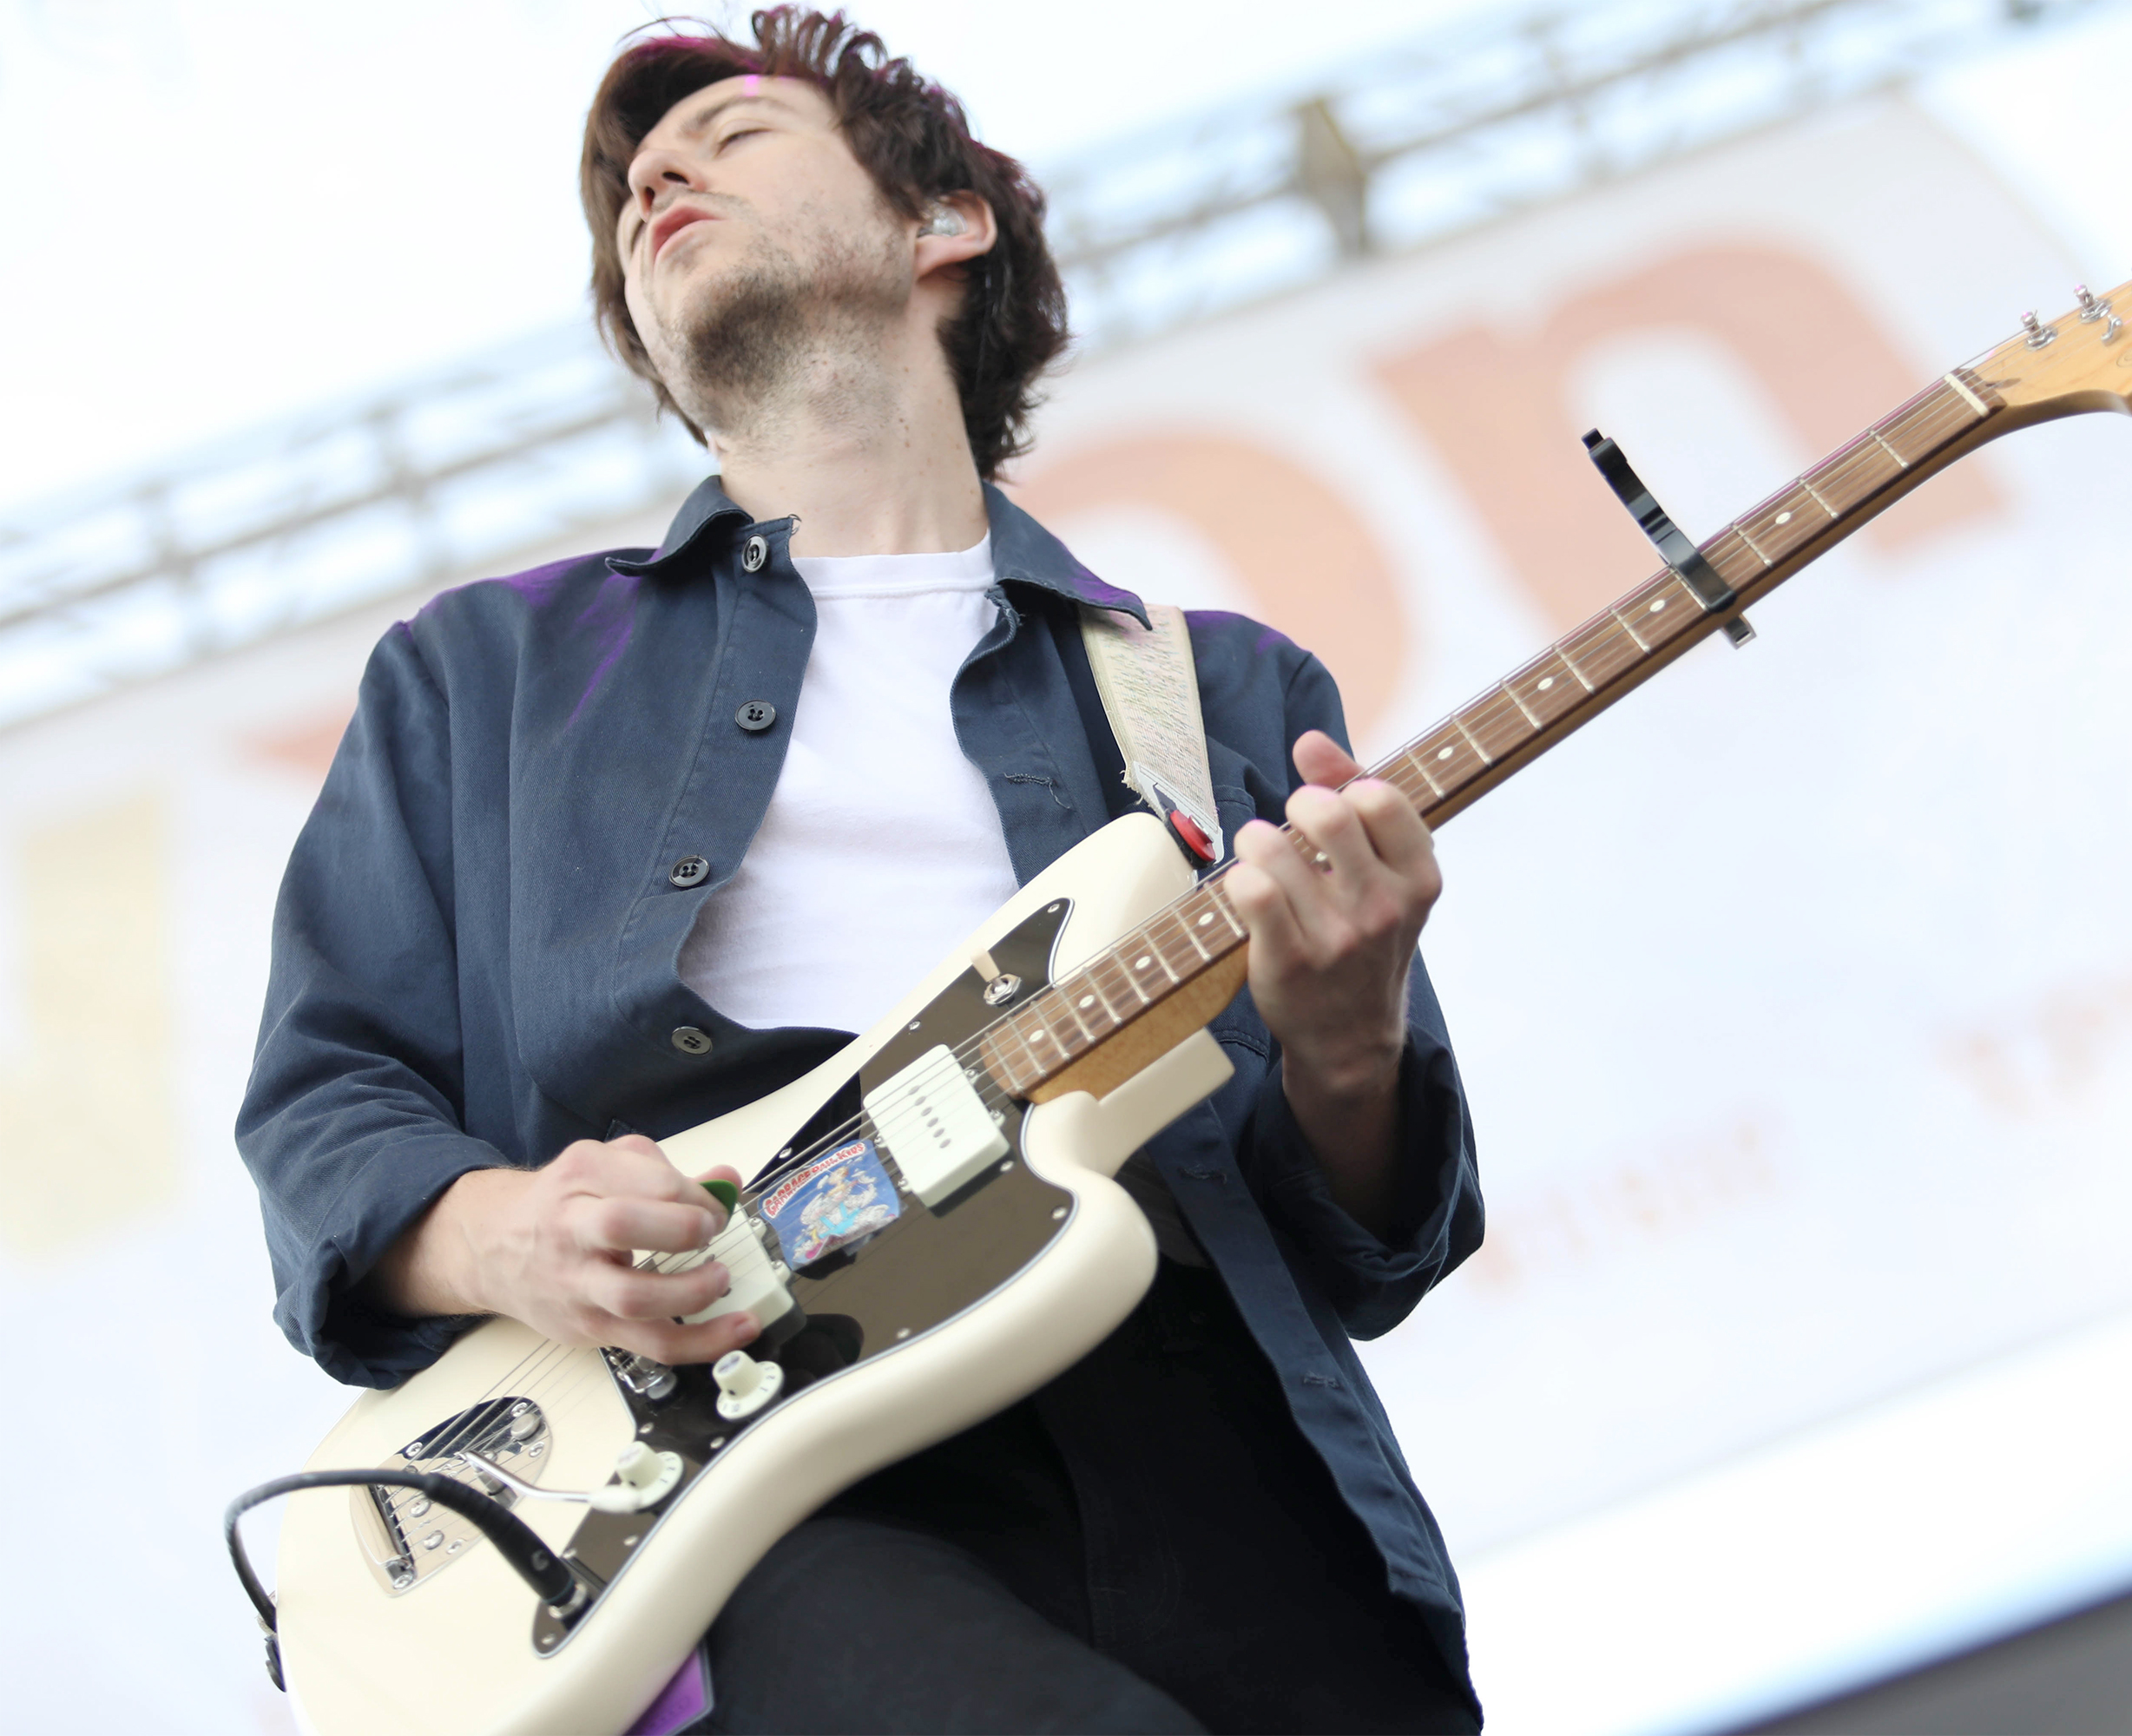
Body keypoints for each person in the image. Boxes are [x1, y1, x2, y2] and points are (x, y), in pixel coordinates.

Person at [236, 9, 1484, 1733]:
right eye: (632, 194)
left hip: (1205, 1428)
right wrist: (508, 1234)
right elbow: (327, 1096)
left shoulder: (1213, 690)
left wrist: (1348, 1041)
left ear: (939, 225)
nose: (654, 181)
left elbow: (1365, 1246)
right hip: (727, 1463)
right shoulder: (483, 675)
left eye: (732, 137)